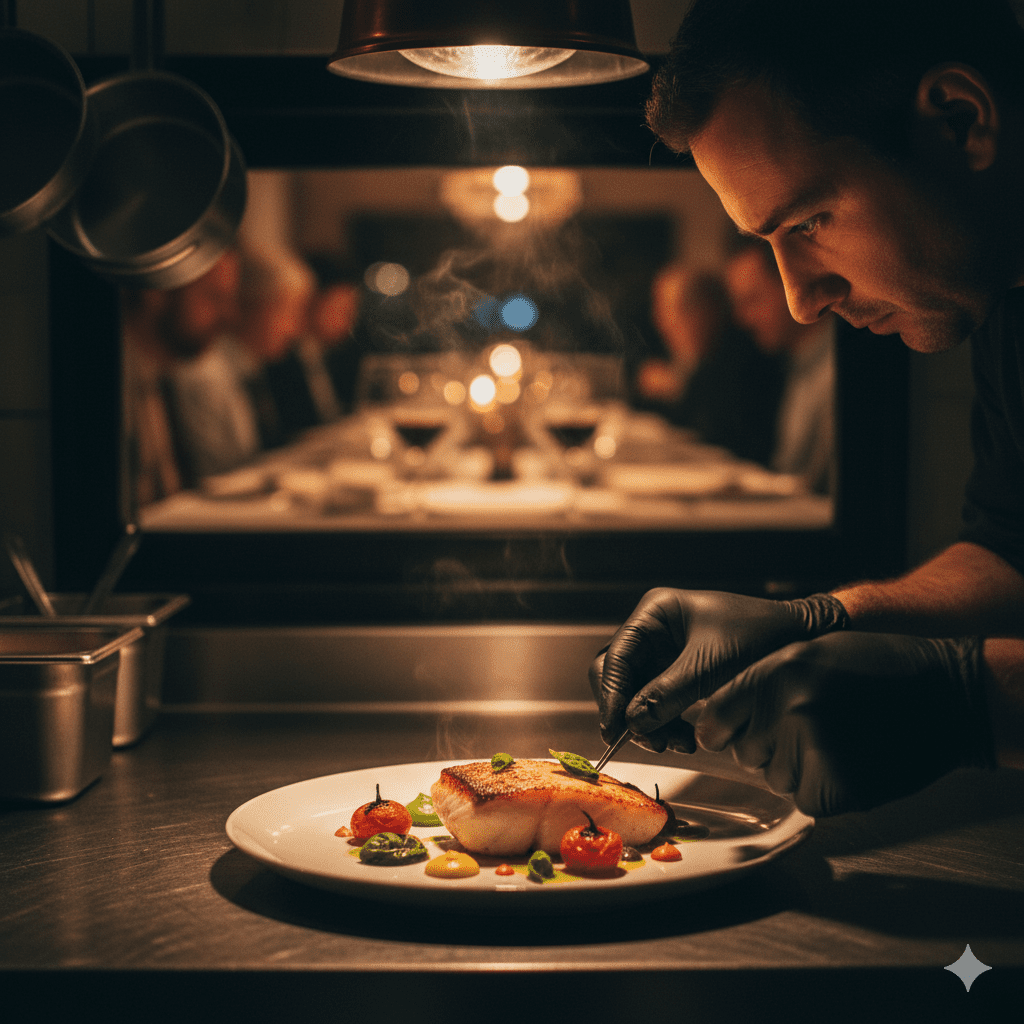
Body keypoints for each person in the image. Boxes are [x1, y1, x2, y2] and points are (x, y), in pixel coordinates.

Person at [589, 0, 1024, 818]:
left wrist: (975, 702)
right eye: (770, 243)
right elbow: (1012, 555)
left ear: (961, 122)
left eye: (812, 221)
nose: (799, 301)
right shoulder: (1005, 300)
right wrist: (817, 618)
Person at [634, 263, 783, 464]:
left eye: (674, 309)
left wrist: (680, 389)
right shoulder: (700, 360)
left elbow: (718, 439)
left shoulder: (745, 359)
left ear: (709, 309)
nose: (663, 322)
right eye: (660, 310)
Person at [725, 238, 836, 493]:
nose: (742, 319)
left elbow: (810, 492)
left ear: (796, 286)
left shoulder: (838, 372)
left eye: (752, 300)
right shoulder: (797, 364)